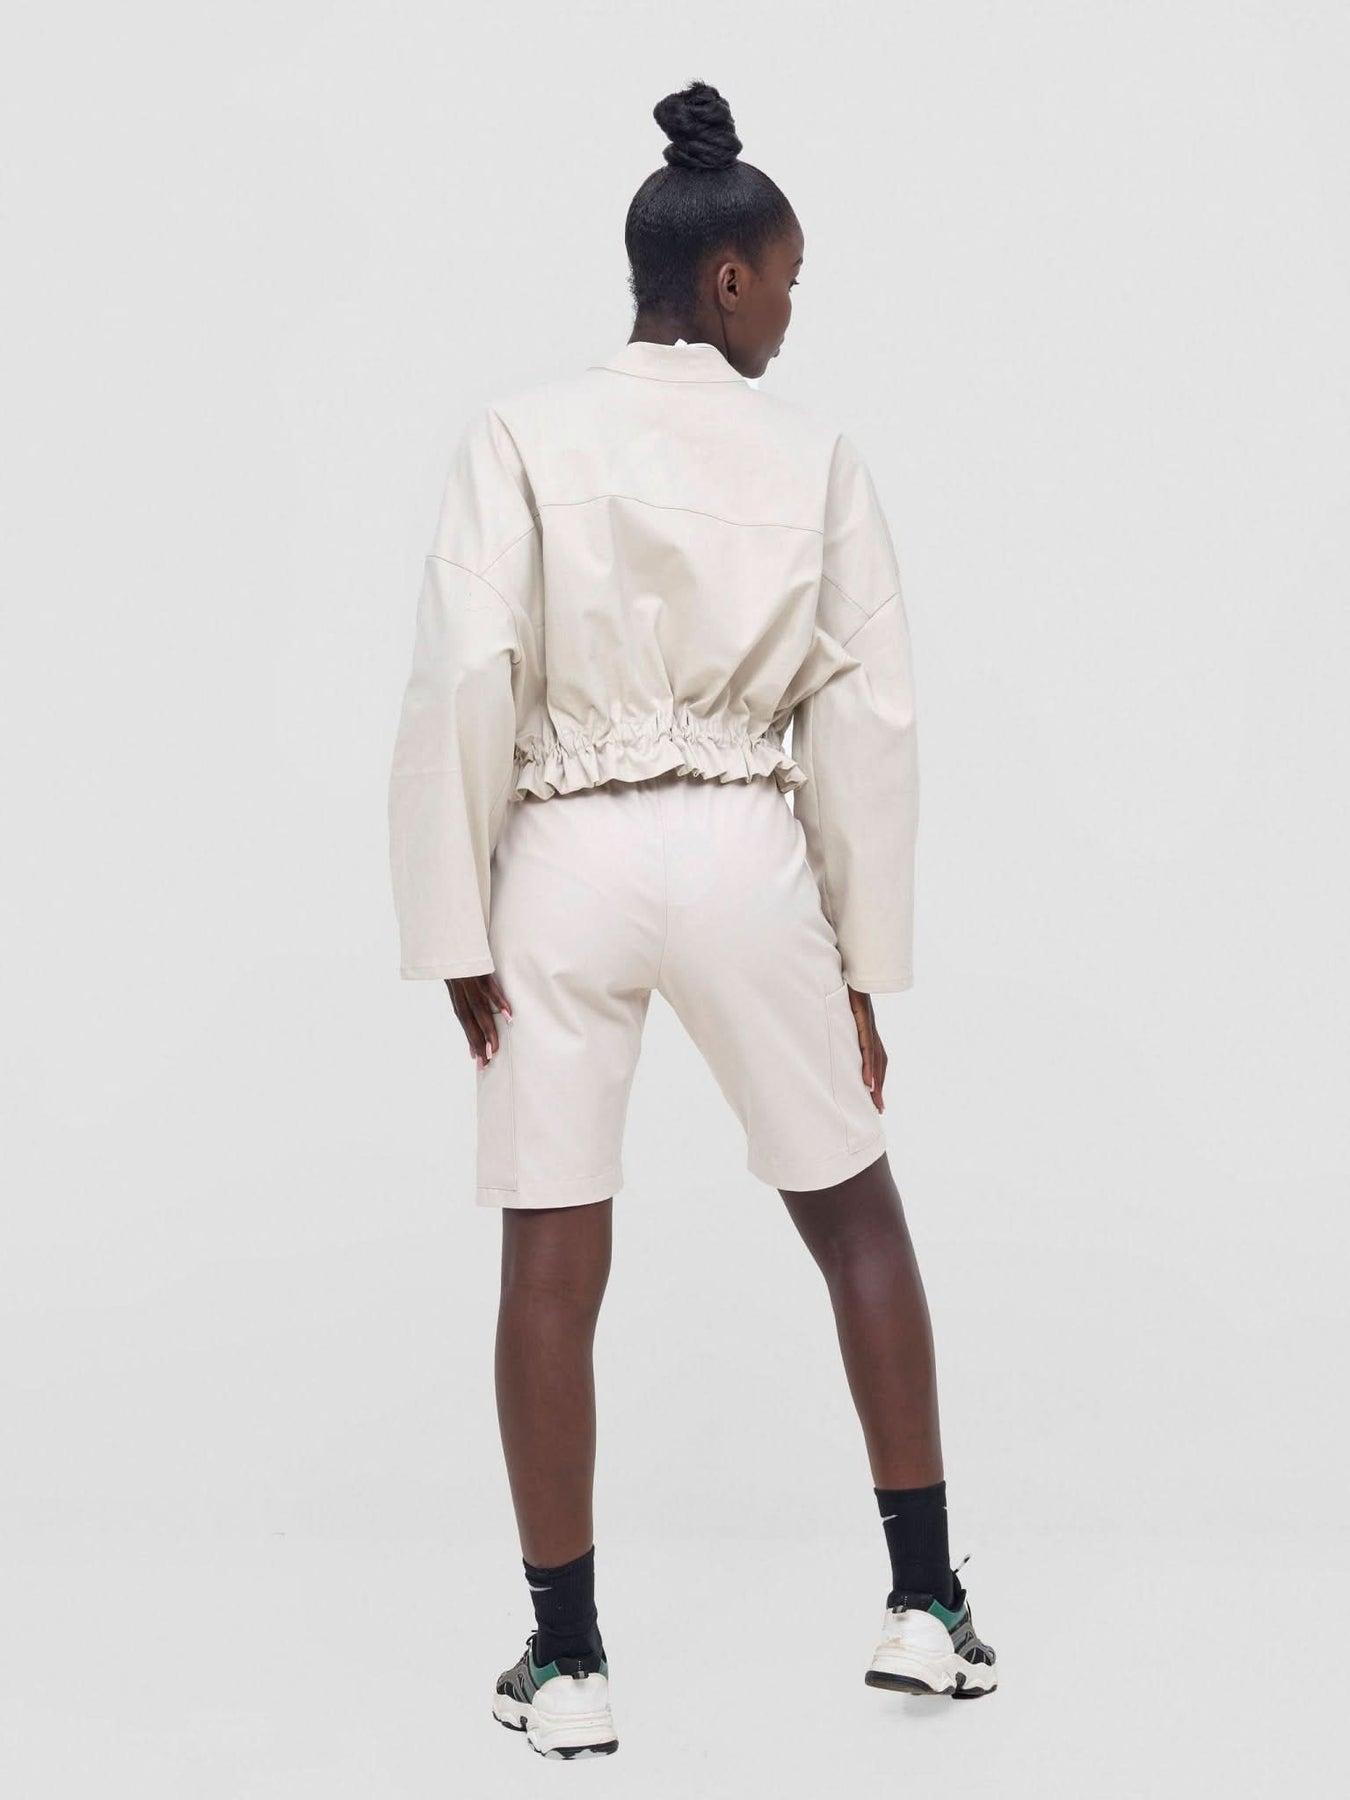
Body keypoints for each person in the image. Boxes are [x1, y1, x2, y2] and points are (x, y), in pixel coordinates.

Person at [387, 79, 997, 1760]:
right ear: (724, 278)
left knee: (549, 1246)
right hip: (742, 846)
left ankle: (566, 1662)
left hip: (561, 858)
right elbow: (868, 721)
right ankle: (925, 1608)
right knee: (853, 1213)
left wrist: (454, 921)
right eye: (786, 281)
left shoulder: (519, 433)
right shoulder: (810, 457)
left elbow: (466, 671)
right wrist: (862, 963)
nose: (791, 311)